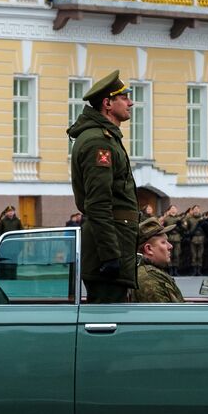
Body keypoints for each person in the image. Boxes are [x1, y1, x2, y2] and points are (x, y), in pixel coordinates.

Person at [67, 70, 138, 303]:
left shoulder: (106, 137)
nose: (130, 102)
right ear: (107, 103)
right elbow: (98, 203)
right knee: (108, 324)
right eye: (124, 97)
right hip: (108, 253)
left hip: (115, 246)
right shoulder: (99, 141)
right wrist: (110, 256)